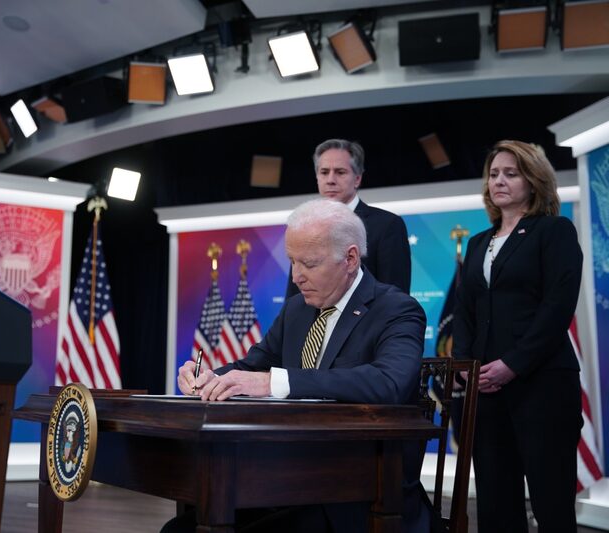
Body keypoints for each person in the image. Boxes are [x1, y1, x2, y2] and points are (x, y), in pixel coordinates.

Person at [169, 198, 430, 533]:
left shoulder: (396, 309)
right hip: (284, 481)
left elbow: (388, 383)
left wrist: (275, 382)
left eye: (309, 263)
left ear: (350, 259)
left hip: (359, 493)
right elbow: (252, 367)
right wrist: (210, 378)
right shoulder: (296, 309)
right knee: (180, 529)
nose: (296, 276)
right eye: (292, 261)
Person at [452, 140, 583, 532]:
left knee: (551, 502)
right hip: (486, 390)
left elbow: (557, 308)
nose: (499, 181)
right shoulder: (478, 242)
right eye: (494, 174)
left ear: (534, 180)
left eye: (511, 173)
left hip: (542, 384)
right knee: (495, 503)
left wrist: (513, 364)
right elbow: (465, 310)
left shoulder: (554, 231)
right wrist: (465, 364)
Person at [285, 139, 411, 297]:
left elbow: (396, 297)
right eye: (324, 172)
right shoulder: (303, 226)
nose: (330, 180)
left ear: (357, 179)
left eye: (340, 172)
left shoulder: (387, 225)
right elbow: (294, 295)